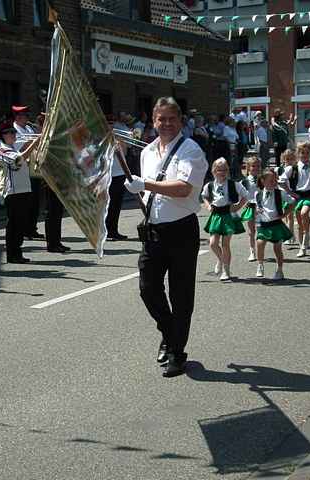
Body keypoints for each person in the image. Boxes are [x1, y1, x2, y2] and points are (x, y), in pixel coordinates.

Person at [124, 96, 208, 378]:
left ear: (181, 121)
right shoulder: (147, 152)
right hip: (154, 230)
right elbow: (149, 191)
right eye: (162, 119)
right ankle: (169, 333)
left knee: (181, 295)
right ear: (153, 121)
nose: (167, 124)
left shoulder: (191, 150)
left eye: (172, 118)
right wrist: (138, 188)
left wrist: (145, 184)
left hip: (182, 229)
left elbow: (184, 188)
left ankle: (177, 352)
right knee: (148, 288)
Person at [279, 142, 310, 258]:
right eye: (302, 153)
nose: (305, 155)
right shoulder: (293, 168)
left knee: (304, 212)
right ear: (298, 154)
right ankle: (302, 247)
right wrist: (290, 192)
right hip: (298, 196)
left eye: (307, 153)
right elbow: (281, 181)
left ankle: (307, 235)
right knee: (299, 224)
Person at [201, 158, 247, 281]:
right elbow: (204, 196)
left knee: (225, 244)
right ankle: (221, 260)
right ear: (213, 171)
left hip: (228, 215)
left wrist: (237, 207)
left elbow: (245, 195)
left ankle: (226, 271)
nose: (222, 172)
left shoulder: (233, 184)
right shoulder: (210, 185)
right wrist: (208, 205)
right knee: (213, 243)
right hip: (216, 215)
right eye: (219, 170)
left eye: (224, 170)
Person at [0, 120, 34, 263]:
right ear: (2, 136)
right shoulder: (4, 149)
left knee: (21, 223)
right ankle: (13, 253)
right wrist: (35, 143)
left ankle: (17, 251)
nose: (13, 135)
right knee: (14, 224)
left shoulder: (12, 147)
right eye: (8, 133)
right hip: (13, 191)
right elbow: (19, 160)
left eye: (13, 132)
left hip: (23, 189)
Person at [253, 168, 295, 280]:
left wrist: (285, 214)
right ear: (263, 181)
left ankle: (279, 270)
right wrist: (257, 211)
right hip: (263, 224)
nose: (273, 182)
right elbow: (256, 207)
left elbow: (293, 202)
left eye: (275, 180)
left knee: (277, 248)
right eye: (271, 180)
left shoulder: (279, 193)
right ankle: (260, 265)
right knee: (260, 243)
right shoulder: (258, 194)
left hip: (276, 224)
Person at [12, 105, 44, 240]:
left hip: (33, 167)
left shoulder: (29, 128)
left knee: (35, 200)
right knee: (27, 201)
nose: (27, 118)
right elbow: (21, 147)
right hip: (22, 170)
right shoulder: (13, 130)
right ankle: (25, 229)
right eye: (25, 116)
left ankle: (32, 228)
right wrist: (34, 141)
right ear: (18, 117)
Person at [239, 157, 261, 262]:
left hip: (261, 208)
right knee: (251, 231)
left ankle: (261, 249)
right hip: (250, 207)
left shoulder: (263, 179)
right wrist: (244, 202)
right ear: (248, 168)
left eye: (257, 166)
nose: (255, 168)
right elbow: (239, 194)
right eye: (253, 166)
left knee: (261, 229)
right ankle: (252, 251)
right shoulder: (244, 181)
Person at [275, 149, 297, 244]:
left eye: (291, 159)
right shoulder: (278, 169)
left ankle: (290, 235)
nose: (289, 161)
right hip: (281, 195)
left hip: (291, 194)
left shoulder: (296, 169)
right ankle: (291, 234)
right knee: (285, 216)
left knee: (290, 216)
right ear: (283, 159)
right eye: (287, 159)